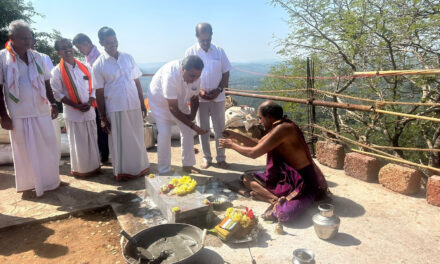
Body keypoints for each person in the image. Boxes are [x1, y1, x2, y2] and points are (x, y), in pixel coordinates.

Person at [219, 101, 328, 222]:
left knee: (283, 214)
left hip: (302, 181)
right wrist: (235, 135)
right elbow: (258, 143)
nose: (259, 122)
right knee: (246, 178)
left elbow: (254, 153)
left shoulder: (284, 129)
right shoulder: (278, 126)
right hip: (285, 176)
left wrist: (232, 145)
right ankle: (274, 199)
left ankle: (272, 199)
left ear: (269, 117)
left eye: (260, 118)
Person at [0, 20, 60, 197]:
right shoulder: (2, 58)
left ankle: (50, 181)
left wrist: (53, 103)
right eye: (24, 38)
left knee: (47, 145)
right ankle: (30, 184)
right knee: (24, 150)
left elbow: (46, 81)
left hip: (41, 109)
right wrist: (3, 116)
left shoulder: (37, 56)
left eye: (30, 37)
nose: (28, 41)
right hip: (19, 113)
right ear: (12, 38)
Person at [92, 27, 149, 180]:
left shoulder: (128, 57)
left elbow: (136, 81)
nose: (113, 45)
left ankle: (140, 167)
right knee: (121, 142)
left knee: (137, 137)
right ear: (101, 42)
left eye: (115, 41)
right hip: (116, 107)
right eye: (109, 42)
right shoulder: (98, 64)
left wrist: (142, 103)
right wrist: (102, 116)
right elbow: (99, 92)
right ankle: (123, 171)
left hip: (134, 104)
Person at [147, 55, 208, 174]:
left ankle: (188, 164)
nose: (194, 79)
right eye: (191, 76)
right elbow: (172, 108)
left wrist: (192, 116)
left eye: (197, 76)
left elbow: (195, 99)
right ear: (182, 69)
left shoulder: (196, 76)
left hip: (180, 100)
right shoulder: (170, 75)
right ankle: (164, 170)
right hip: (160, 102)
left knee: (187, 131)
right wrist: (192, 125)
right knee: (165, 133)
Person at [51, 38, 100, 177]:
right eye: (63, 48)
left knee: (92, 139)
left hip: (89, 110)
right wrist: (75, 105)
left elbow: (95, 86)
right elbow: (57, 93)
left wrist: (90, 101)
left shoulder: (85, 67)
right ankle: (82, 170)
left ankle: (95, 167)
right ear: (58, 52)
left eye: (69, 46)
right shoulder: (56, 72)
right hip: (73, 112)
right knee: (78, 143)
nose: (67, 49)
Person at [184, 23, 231, 169]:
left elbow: (226, 72)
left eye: (207, 39)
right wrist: (200, 92)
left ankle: (221, 157)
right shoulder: (190, 52)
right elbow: (187, 75)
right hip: (199, 98)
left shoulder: (219, 51)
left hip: (218, 97)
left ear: (211, 35)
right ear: (197, 36)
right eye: (202, 40)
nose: (205, 43)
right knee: (202, 128)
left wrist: (218, 89)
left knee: (220, 129)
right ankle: (206, 158)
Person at [73, 33, 109, 164]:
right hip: (94, 97)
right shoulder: (88, 57)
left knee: (102, 126)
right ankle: (102, 153)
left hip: (101, 97)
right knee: (99, 127)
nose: (79, 50)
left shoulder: (97, 57)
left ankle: (104, 155)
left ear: (86, 43)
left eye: (79, 47)